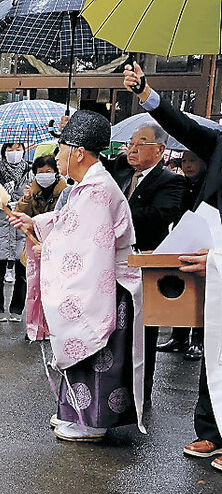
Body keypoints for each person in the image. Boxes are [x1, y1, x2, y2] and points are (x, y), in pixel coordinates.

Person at [8, 110, 145, 442]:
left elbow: (87, 248)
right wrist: (35, 224)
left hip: (105, 286)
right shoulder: (92, 185)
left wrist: (48, 251)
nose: (58, 156)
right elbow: (70, 225)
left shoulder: (96, 189)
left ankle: (92, 422)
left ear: (79, 152)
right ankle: (76, 415)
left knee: (96, 354)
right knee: (87, 355)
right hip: (103, 282)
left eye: (62, 148)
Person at [124, 61, 222, 467]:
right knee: (214, 340)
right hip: (210, 253)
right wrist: (146, 93)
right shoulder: (218, 141)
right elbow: (184, 127)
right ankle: (211, 431)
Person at [101, 123, 186, 407]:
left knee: (142, 331)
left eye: (141, 143)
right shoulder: (122, 171)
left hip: (144, 266)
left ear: (160, 150)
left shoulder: (170, 181)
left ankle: (141, 392)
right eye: (131, 142)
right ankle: (111, 387)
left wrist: (118, 212)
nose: (132, 148)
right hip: (111, 263)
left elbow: (160, 214)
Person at [158, 150, 206, 361]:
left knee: (199, 291)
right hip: (181, 239)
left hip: (204, 243)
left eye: (192, 160)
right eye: (184, 161)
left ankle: (198, 338)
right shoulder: (180, 183)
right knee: (180, 287)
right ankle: (179, 336)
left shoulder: (209, 185)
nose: (187, 165)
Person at [0, 142, 30, 322]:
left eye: (18, 148)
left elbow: (35, 198)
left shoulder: (30, 171)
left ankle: (17, 309)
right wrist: (0, 198)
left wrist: (23, 201)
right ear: (4, 151)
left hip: (21, 226)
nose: (14, 152)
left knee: (23, 271)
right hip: (1, 226)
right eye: (10, 149)